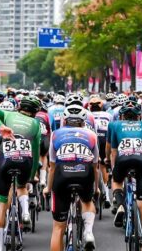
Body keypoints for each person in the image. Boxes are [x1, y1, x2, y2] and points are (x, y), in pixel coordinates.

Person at [0, 95, 43, 251]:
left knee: (1, 204)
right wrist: (32, 175)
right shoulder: (36, 124)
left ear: (19, 107)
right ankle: (25, 213)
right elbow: (36, 152)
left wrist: (1, 126)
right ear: (35, 112)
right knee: (22, 185)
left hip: (5, 160)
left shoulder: (9, 115)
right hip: (25, 161)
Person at [46, 105, 99, 251]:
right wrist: (96, 189)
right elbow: (95, 166)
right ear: (84, 121)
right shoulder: (91, 135)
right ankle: (88, 232)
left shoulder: (55, 134)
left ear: (64, 120)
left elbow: (51, 167)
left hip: (62, 174)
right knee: (87, 201)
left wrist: (48, 188)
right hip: (85, 172)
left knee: (58, 227)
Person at [108, 99, 142, 251]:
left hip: (122, 159)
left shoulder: (115, 125)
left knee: (116, 180)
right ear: (139, 116)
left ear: (121, 116)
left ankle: (120, 204)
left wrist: (113, 168)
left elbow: (113, 152)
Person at [88, 95, 113, 209]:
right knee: (103, 165)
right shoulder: (108, 115)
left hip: (92, 140)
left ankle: (92, 188)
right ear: (101, 105)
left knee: (92, 165)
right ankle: (107, 196)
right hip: (105, 139)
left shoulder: (87, 115)